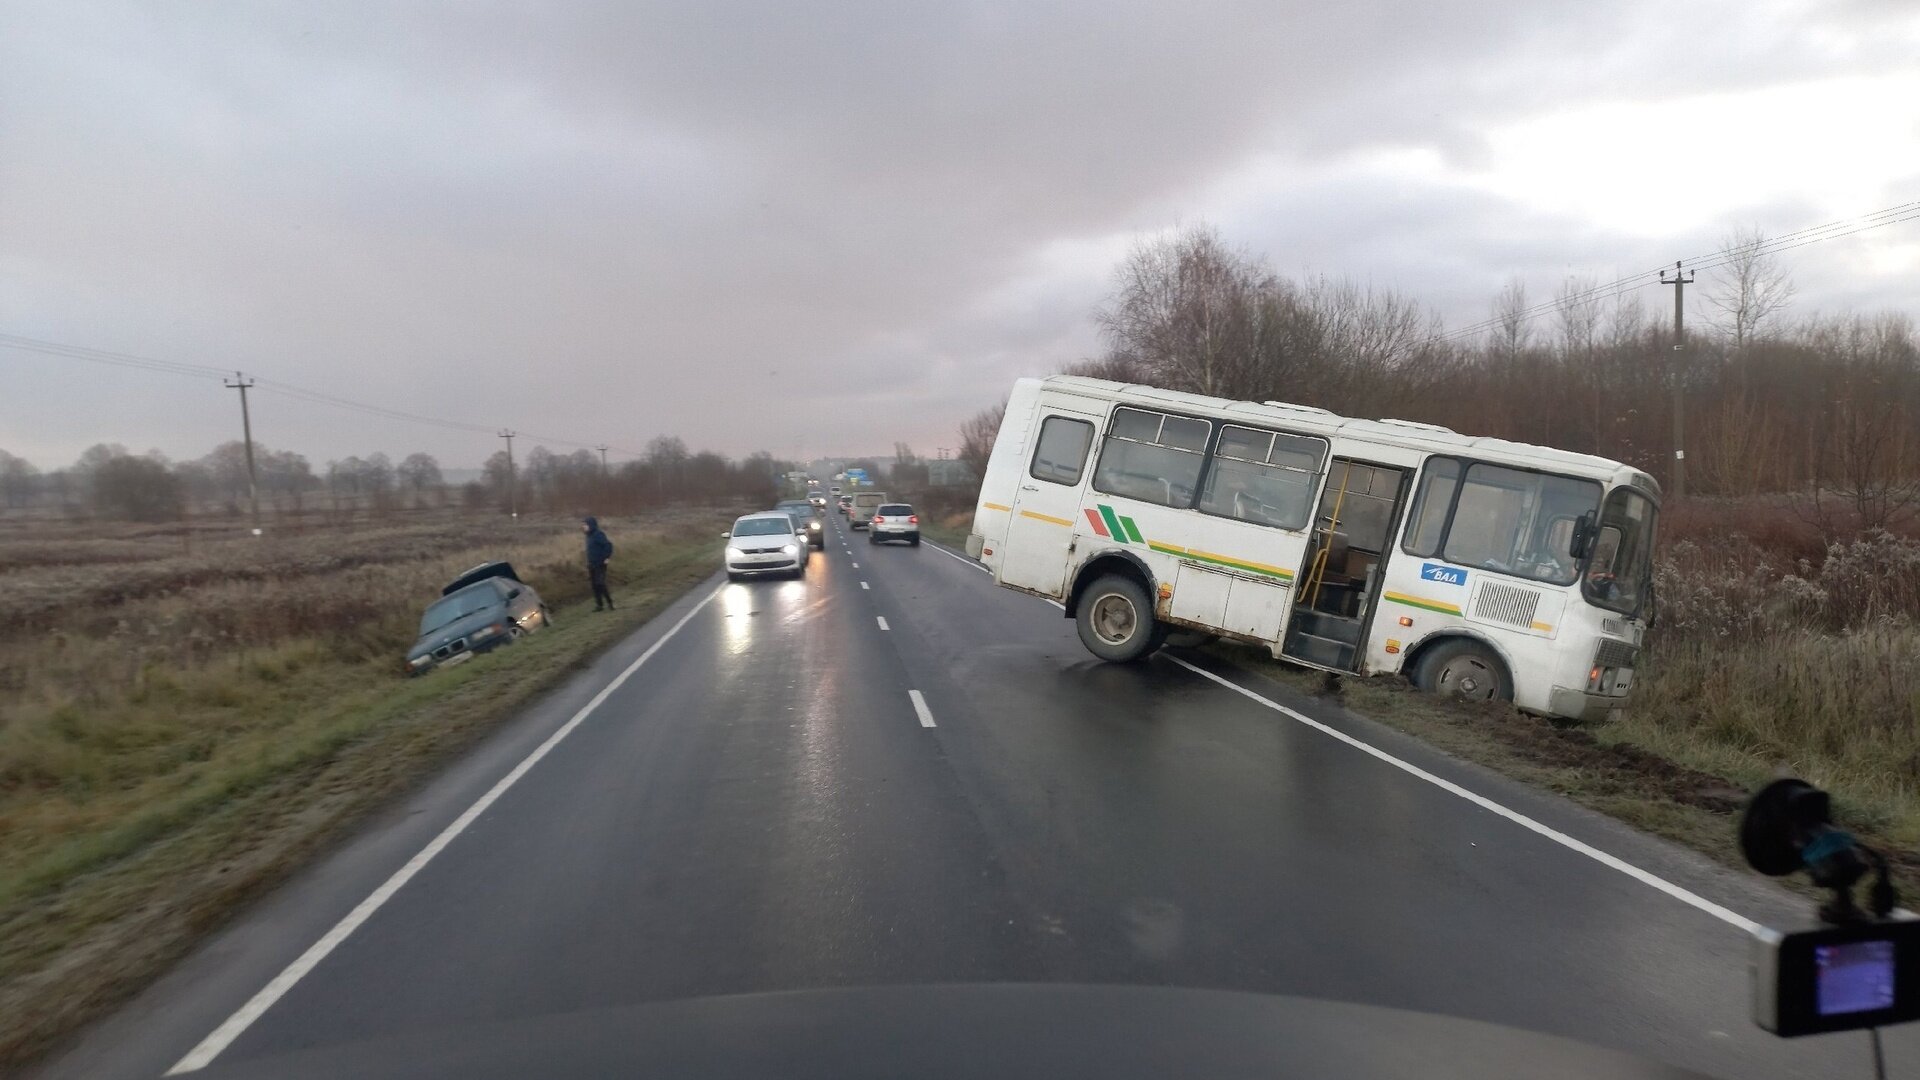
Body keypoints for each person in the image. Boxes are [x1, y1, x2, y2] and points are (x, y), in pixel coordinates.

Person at [583, 516, 614, 610]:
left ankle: (610, 603)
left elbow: (608, 545)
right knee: (594, 585)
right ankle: (599, 605)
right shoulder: (588, 536)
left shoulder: (598, 534)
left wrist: (607, 557)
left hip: (600, 564)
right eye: (583, 525)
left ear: (591, 525)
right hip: (591, 564)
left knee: (600, 583)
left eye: (585, 524)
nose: (584, 526)